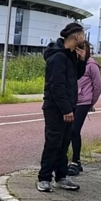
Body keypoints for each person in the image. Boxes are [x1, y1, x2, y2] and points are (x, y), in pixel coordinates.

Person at [38, 23, 87, 192]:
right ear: (76, 37)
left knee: (64, 142)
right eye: (83, 34)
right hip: (55, 107)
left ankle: (61, 176)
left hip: (68, 105)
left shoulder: (70, 55)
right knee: (53, 142)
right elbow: (56, 86)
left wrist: (82, 60)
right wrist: (66, 109)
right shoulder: (58, 57)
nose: (85, 38)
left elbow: (75, 77)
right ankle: (44, 178)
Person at [67, 43, 101, 177]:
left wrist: (90, 103)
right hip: (71, 101)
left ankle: (76, 161)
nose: (79, 52)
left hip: (83, 102)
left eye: (82, 49)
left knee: (75, 130)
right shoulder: (71, 63)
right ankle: (65, 160)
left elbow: (98, 86)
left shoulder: (91, 65)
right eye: (77, 49)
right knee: (67, 131)